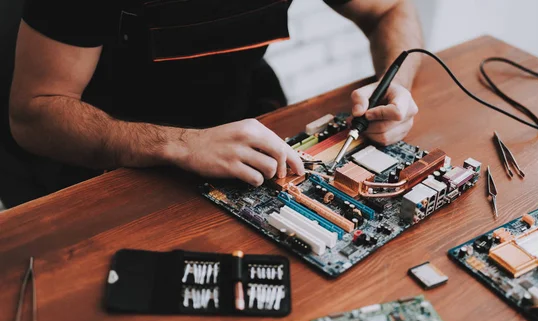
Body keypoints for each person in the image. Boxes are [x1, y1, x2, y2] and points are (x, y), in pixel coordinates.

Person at [6, 0, 422, 207]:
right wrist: (183, 144)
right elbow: (34, 113)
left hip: (239, 129)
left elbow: (391, 9)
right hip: (101, 157)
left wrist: (395, 85)